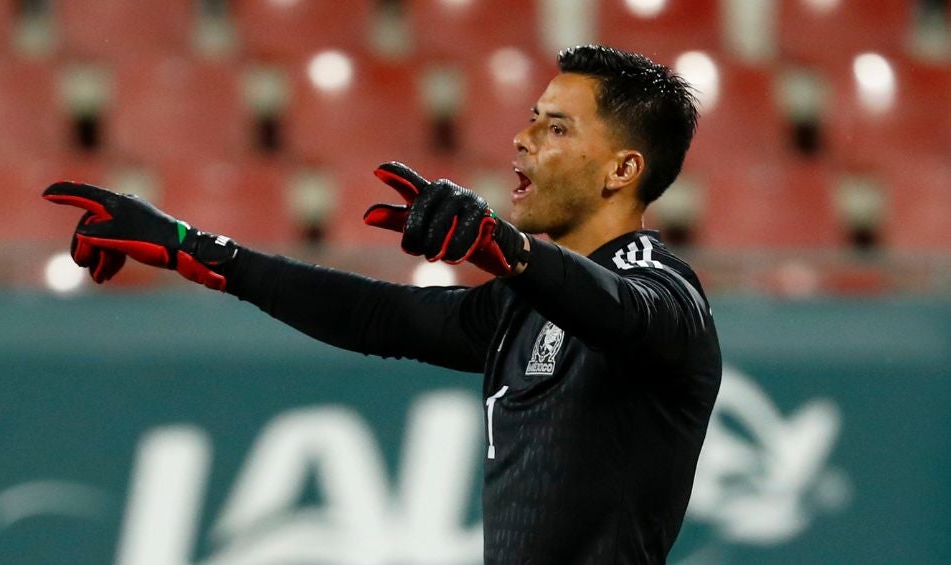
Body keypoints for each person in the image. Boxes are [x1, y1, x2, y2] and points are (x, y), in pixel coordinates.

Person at [43, 44, 721, 564]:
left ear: (623, 170)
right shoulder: (518, 308)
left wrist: (505, 247)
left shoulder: (663, 288)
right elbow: (376, 317)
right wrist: (197, 248)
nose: (522, 139)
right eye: (531, 120)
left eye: (557, 129)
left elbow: (623, 313)